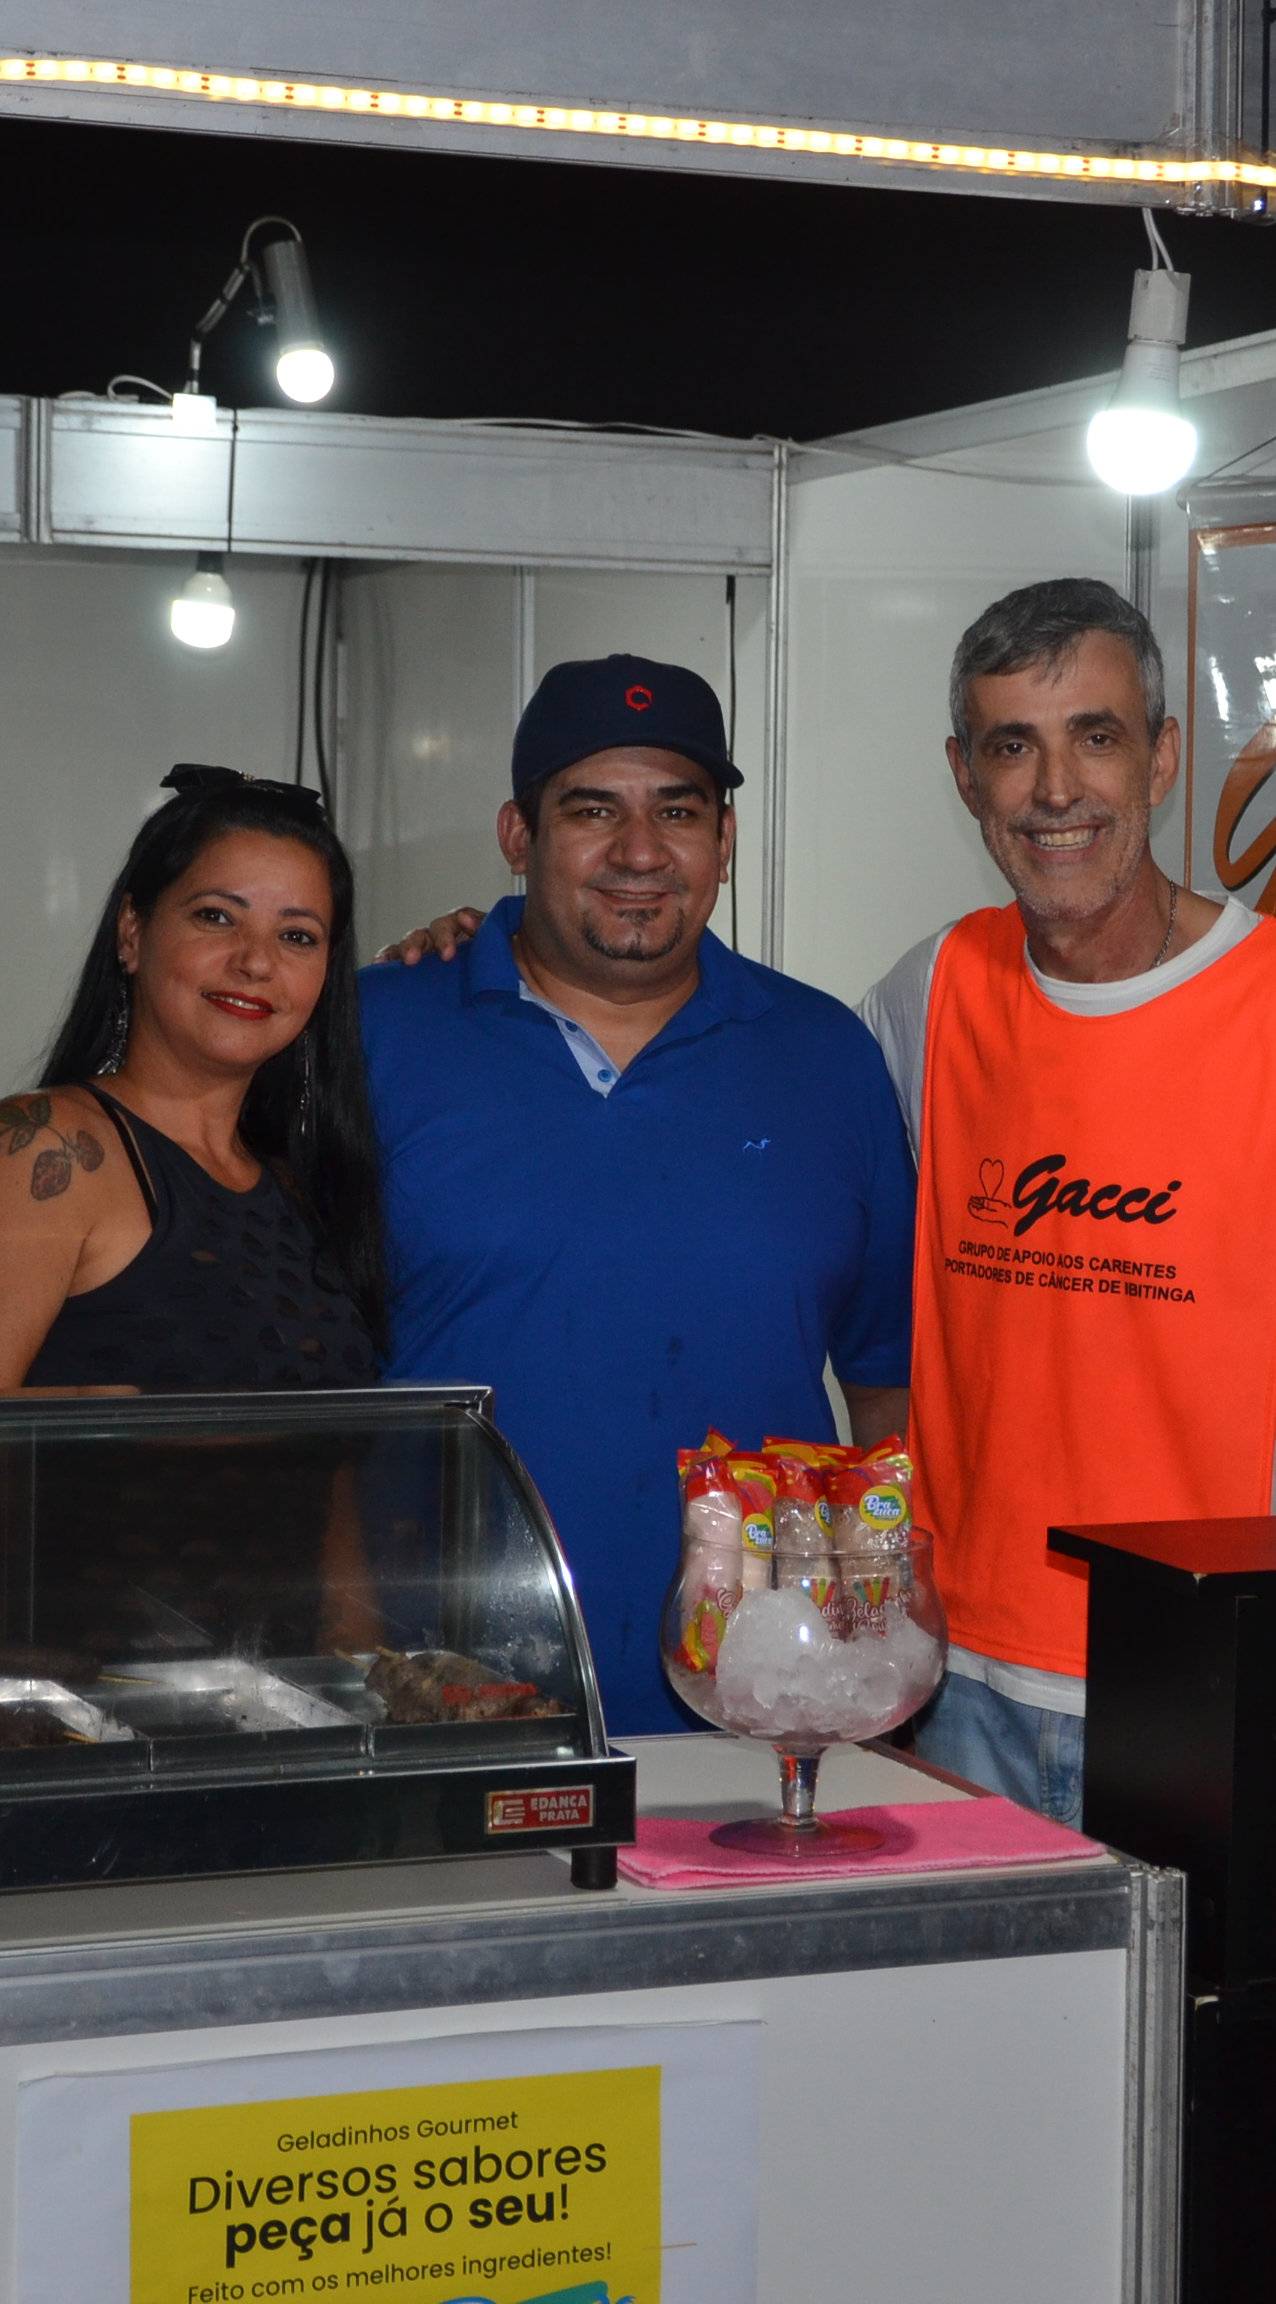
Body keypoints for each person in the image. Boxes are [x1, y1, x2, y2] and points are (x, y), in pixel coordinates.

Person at [860, 579, 1276, 1825]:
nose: (1056, 790)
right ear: (964, 775)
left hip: (1225, 1671)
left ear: (1160, 757)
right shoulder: (932, 990)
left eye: (1095, 737)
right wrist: (497, 961)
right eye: (1013, 747)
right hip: (956, 1678)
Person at [358, 654, 915, 1736]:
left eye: (679, 810)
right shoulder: (375, 1029)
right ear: (518, 835)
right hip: (437, 1700)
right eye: (592, 810)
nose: (641, 851)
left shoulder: (827, 1055)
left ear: (725, 840)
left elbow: (888, 1394)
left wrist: (873, 1648)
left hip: (760, 1704)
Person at [0, 763, 389, 1648]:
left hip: (286, 1716)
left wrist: (370, 1695)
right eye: (216, 917)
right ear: (133, 933)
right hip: (67, 1715)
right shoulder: (39, 1152)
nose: (256, 961)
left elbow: (330, 1522)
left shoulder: (302, 1191)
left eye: (298, 936)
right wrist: (5, 1722)